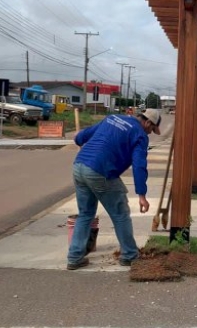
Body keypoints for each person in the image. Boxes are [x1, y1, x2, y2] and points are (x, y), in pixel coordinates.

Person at [66, 108, 162, 270]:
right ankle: (130, 255)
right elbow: (139, 165)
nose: (150, 133)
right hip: (100, 171)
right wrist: (142, 194)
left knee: (85, 214)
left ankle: (74, 257)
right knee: (120, 214)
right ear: (147, 122)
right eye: (152, 129)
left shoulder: (112, 118)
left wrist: (79, 139)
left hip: (79, 166)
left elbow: (81, 137)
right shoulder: (140, 135)